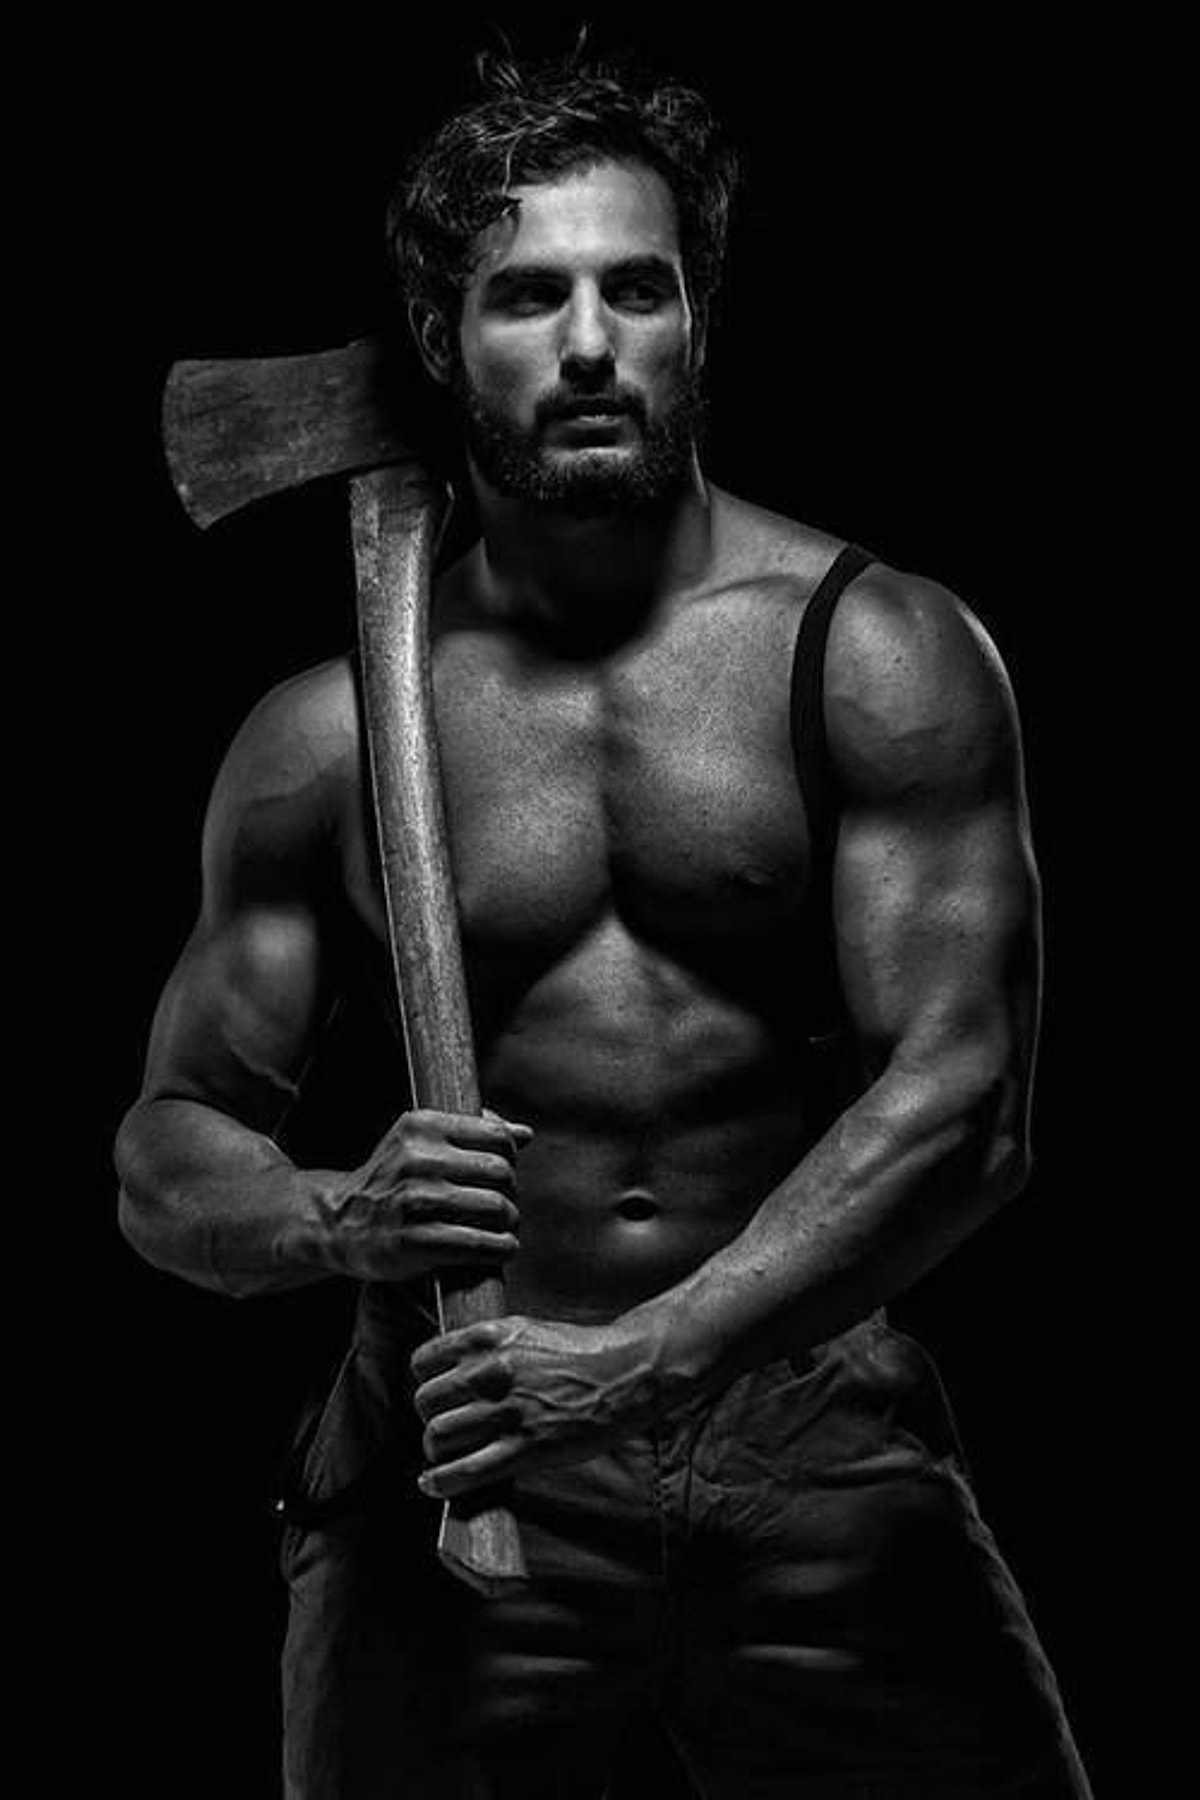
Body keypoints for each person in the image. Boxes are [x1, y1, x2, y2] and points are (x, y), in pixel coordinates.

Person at [116, 42, 1094, 1800]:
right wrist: (337, 1216)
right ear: (442, 344)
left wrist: (639, 1361)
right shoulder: (324, 738)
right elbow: (164, 1152)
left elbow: (969, 1107)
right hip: (463, 1446)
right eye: (527, 296)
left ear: (696, 322)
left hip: (805, 1434)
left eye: (636, 289)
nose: (588, 343)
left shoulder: (874, 652)